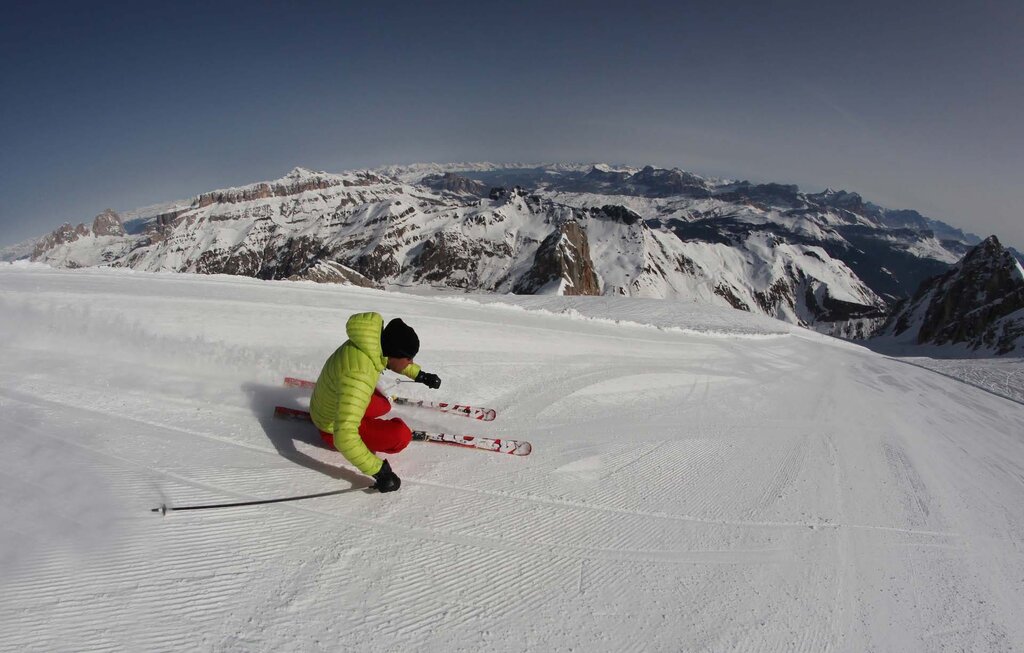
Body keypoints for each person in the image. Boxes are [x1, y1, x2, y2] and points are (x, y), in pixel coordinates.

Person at [309, 312, 441, 493]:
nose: (410, 362)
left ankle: (359, 416)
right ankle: (365, 425)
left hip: (330, 399)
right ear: (393, 353)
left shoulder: (369, 344)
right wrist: (380, 471)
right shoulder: (359, 377)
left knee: (384, 405)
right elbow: (344, 437)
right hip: (330, 427)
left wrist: (421, 375)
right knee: (401, 437)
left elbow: (396, 361)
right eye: (409, 358)